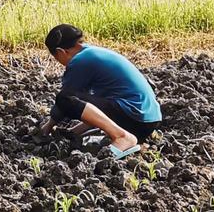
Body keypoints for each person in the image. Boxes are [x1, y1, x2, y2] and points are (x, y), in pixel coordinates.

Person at [40, 24, 162, 159]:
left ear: (61, 52)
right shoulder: (93, 52)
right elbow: (93, 109)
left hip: (135, 117)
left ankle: (122, 137)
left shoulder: (80, 60)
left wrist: (48, 127)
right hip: (149, 121)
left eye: (56, 58)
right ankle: (123, 135)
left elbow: (66, 101)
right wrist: (73, 132)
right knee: (80, 100)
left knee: (65, 98)